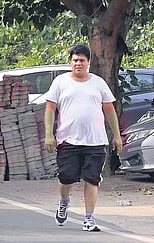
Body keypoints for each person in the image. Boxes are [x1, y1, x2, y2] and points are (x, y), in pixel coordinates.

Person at [44, 45, 123, 232]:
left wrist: (117, 136)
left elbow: (109, 110)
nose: (78, 63)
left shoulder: (98, 83)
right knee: (67, 178)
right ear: (70, 62)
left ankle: (89, 219)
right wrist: (49, 134)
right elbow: (50, 109)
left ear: (88, 62)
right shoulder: (60, 82)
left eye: (82, 60)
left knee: (92, 180)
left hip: (95, 141)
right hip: (68, 140)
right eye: (75, 60)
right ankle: (64, 202)